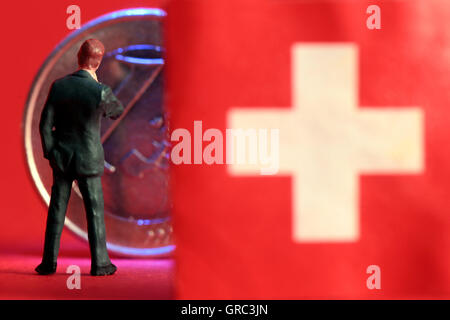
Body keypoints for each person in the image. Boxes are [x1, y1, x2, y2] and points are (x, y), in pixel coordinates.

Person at [36, 38, 124, 276]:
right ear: (98, 62)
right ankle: (100, 264)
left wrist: (50, 152)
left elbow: (45, 124)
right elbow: (117, 111)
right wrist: (99, 87)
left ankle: (48, 263)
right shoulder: (100, 91)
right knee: (94, 211)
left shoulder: (59, 86)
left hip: (62, 157)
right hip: (88, 158)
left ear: (78, 57)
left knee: (56, 210)